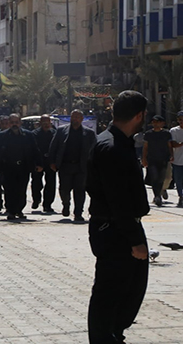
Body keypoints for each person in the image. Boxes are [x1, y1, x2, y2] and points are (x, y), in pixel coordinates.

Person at [86, 90, 150, 344]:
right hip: (115, 229)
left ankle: (113, 334)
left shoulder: (117, 142)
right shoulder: (112, 147)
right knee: (111, 291)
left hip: (119, 226)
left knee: (130, 288)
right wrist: (135, 240)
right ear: (139, 116)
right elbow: (118, 200)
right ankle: (104, 338)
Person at [48, 110, 97, 222]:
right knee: (64, 189)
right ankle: (66, 204)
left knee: (80, 191)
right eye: (73, 117)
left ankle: (78, 213)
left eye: (78, 117)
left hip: (81, 167)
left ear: (82, 119)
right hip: (65, 165)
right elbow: (53, 146)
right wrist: (52, 162)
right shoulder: (61, 131)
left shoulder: (89, 133)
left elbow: (94, 149)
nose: (75, 119)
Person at [0, 114, 41, 220]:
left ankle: (19, 209)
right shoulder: (2, 135)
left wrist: (39, 164)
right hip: (8, 167)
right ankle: (11, 211)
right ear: (9, 123)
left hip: (23, 167)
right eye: (12, 122)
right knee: (9, 190)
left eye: (16, 122)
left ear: (20, 123)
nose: (14, 124)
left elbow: (35, 150)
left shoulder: (28, 135)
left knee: (21, 189)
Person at [142, 115, 172, 207]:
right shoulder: (148, 134)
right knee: (154, 177)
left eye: (157, 122)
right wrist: (144, 158)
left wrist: (171, 155)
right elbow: (145, 147)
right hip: (152, 159)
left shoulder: (166, 133)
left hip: (163, 159)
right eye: (154, 122)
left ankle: (160, 192)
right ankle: (157, 196)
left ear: (162, 123)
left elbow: (169, 145)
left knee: (161, 178)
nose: (155, 124)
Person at [31, 115, 57, 212]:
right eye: (44, 123)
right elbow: (33, 149)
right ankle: (36, 199)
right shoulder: (34, 134)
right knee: (36, 183)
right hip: (39, 161)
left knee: (50, 183)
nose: (46, 125)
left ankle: (47, 204)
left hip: (50, 162)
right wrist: (36, 163)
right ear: (40, 123)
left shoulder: (54, 133)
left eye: (48, 123)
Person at [169, 111, 183, 207]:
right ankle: (181, 196)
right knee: (178, 180)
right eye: (180, 119)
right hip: (177, 160)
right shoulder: (174, 131)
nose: (182, 121)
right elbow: (173, 144)